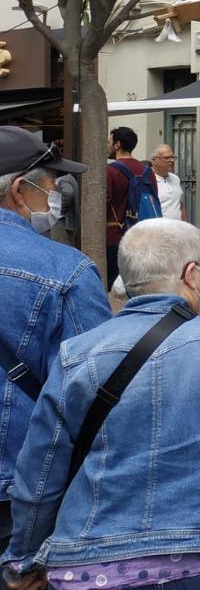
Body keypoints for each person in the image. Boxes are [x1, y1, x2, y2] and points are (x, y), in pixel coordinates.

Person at [0, 220, 200, 590]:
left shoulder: (77, 355)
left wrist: (24, 559)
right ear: (191, 274)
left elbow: (40, 471)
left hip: (97, 564)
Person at [0, 127, 111, 554]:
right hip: (20, 487)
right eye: (48, 186)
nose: (53, 198)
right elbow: (94, 387)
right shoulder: (66, 270)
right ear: (17, 190)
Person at [106, 127, 160, 286]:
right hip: (141, 235)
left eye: (109, 142)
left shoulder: (110, 171)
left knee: (109, 283)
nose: (108, 145)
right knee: (137, 283)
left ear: (117, 145)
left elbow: (105, 201)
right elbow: (154, 197)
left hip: (114, 235)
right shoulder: (147, 171)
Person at [150, 144, 188, 222]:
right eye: (167, 158)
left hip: (178, 229)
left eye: (173, 157)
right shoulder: (148, 181)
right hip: (159, 230)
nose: (172, 161)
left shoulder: (175, 178)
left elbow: (179, 204)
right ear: (154, 160)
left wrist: (186, 225)